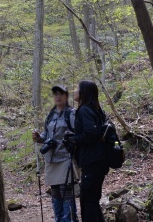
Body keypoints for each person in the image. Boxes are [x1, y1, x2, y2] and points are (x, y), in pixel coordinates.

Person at [33, 85, 79, 222]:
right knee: (55, 193)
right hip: (51, 159)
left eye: (61, 94)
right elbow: (45, 135)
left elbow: (77, 133)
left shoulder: (71, 113)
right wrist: (38, 138)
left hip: (66, 158)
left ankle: (70, 219)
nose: (58, 96)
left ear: (66, 96)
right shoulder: (50, 115)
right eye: (55, 94)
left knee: (66, 192)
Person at [69, 80, 108, 222]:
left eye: (77, 88)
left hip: (92, 161)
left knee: (87, 200)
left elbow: (90, 134)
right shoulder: (97, 110)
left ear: (83, 92)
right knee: (92, 199)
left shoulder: (85, 110)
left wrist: (74, 139)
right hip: (99, 161)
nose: (74, 91)